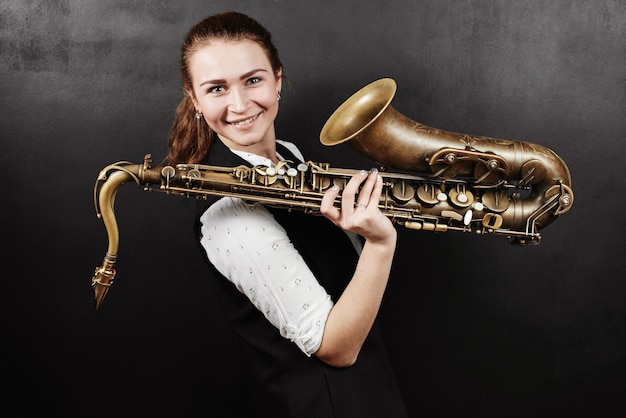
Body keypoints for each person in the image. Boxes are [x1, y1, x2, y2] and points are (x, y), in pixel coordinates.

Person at [165, 11, 408, 418]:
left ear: (277, 78)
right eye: (217, 89)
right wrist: (381, 244)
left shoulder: (291, 158)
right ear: (194, 98)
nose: (239, 104)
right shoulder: (230, 216)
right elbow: (336, 348)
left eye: (253, 80)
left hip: (367, 394)